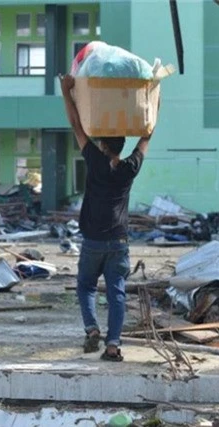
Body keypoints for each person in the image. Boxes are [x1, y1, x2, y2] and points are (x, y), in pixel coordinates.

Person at [59, 74, 156, 362]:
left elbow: (76, 125)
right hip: (119, 242)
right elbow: (147, 135)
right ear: (122, 146)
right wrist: (154, 100)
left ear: (102, 145)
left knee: (86, 286)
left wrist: (66, 92)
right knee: (117, 294)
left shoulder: (94, 160)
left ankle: (91, 329)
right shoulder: (130, 168)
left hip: (92, 241)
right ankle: (113, 346)